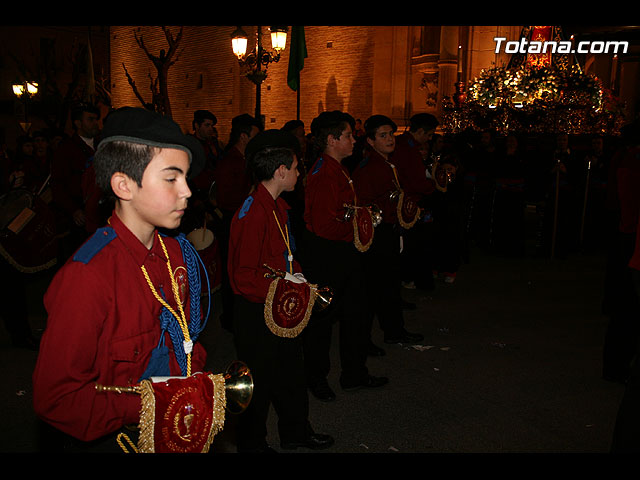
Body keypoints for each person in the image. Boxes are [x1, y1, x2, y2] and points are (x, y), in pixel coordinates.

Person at [32, 106, 209, 452]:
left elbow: (185, 337)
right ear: (124, 185)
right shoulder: (88, 277)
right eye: (172, 178)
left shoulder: (175, 254)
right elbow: (57, 398)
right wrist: (155, 402)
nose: (187, 191)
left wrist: (194, 384)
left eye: (186, 178)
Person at [228, 129, 334, 453]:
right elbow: (243, 277)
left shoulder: (277, 206)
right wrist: (287, 290)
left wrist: (298, 280)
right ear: (280, 171)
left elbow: (286, 256)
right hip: (258, 311)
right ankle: (251, 444)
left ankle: (295, 432)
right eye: (296, 167)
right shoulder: (253, 213)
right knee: (257, 383)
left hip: (277, 306)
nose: (300, 173)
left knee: (291, 373)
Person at [298, 110, 388, 402]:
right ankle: (316, 377)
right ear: (332, 139)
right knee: (322, 322)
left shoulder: (338, 168)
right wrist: (356, 231)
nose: (353, 139)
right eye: (348, 135)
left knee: (356, 315)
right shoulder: (325, 173)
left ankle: (354, 374)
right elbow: (324, 226)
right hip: (329, 254)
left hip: (343, 253)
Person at [351, 114, 424, 354]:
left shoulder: (387, 164)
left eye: (391, 134)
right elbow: (365, 205)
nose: (390, 139)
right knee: (375, 290)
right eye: (383, 135)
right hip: (378, 234)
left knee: (390, 285)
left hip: (391, 231)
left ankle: (394, 330)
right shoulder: (368, 168)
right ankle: (366, 339)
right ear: (370, 141)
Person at [214, 113, 262, 332]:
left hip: (242, 222)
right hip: (230, 222)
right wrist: (249, 194)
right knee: (230, 268)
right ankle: (230, 317)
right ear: (244, 137)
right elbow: (226, 198)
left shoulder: (245, 160)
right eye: (255, 136)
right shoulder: (230, 161)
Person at [49, 102, 101, 262]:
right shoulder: (66, 150)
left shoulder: (103, 145)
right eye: (90, 119)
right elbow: (58, 185)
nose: (95, 123)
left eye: (96, 119)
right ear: (78, 123)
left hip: (101, 213)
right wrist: (73, 210)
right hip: (80, 217)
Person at [393, 112, 438, 290]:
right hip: (409, 204)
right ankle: (408, 278)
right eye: (429, 134)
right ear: (419, 131)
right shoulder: (407, 148)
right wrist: (433, 185)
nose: (429, 139)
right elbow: (415, 180)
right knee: (411, 245)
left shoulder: (405, 144)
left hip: (408, 199)